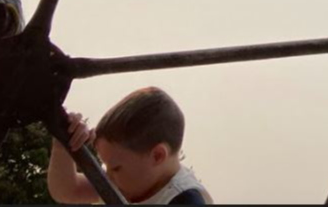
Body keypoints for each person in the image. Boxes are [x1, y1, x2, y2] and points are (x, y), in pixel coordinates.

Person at [49, 87, 212, 205]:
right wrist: (62, 145)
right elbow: (68, 190)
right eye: (106, 166)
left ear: (157, 156)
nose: (109, 176)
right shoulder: (129, 182)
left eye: (116, 168)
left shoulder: (185, 200)